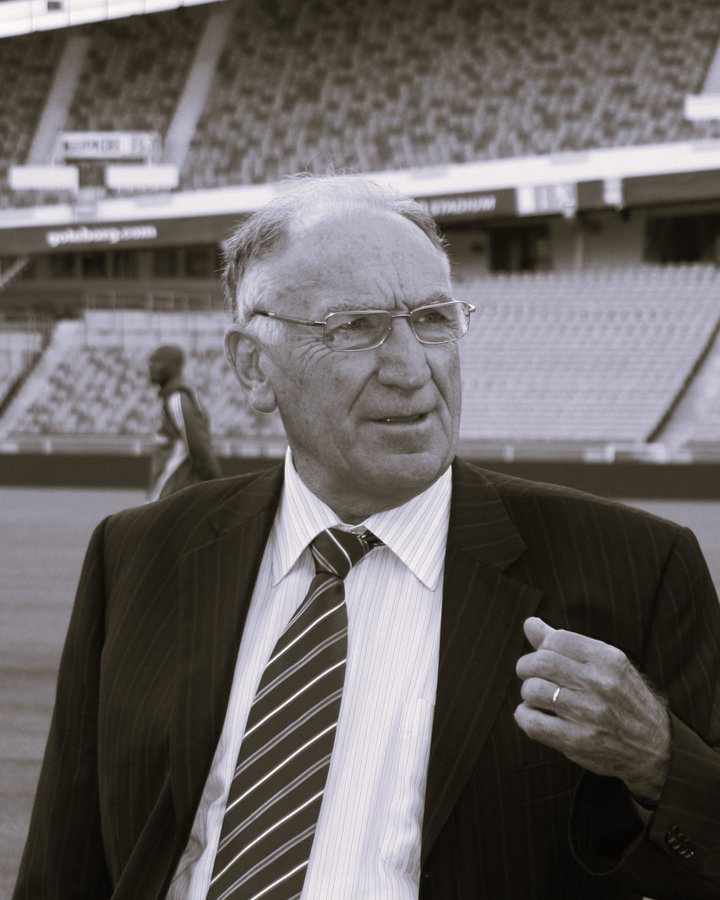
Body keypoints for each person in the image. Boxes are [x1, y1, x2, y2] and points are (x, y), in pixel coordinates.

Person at [14, 175, 720, 900]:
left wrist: (659, 761)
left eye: (434, 319)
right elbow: (64, 867)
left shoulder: (636, 570)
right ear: (254, 366)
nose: (413, 370)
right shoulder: (135, 557)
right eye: (355, 326)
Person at [147, 343, 221, 500]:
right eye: (151, 362)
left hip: (171, 496)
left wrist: (217, 486)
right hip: (168, 495)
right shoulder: (171, 398)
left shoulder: (178, 400)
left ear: (174, 366)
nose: (151, 367)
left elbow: (198, 447)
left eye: (158, 362)